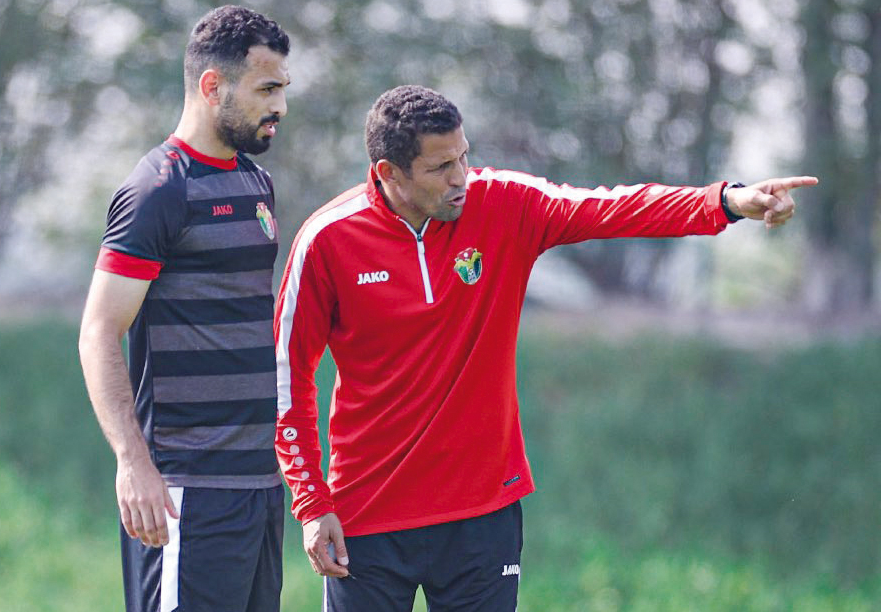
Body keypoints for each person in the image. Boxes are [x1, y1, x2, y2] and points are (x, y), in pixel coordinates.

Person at [273, 85, 817, 611]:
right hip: (369, 515)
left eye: (465, 156)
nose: (462, 177)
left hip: (483, 511)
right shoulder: (327, 239)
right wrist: (311, 501)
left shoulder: (504, 203)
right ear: (389, 173)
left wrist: (725, 201)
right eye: (441, 168)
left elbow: (613, 208)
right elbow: (286, 376)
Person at [78, 6, 290, 612]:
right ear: (211, 86)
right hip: (186, 489)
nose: (279, 107)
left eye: (282, 89)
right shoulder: (157, 190)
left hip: (259, 487)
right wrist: (132, 463)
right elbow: (98, 332)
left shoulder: (255, 181)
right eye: (266, 89)